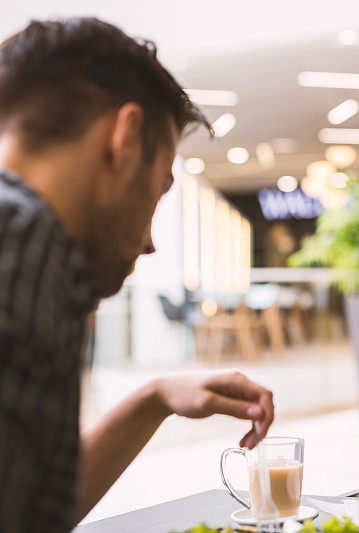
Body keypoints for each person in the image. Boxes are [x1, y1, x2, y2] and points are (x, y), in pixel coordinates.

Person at [0, 18, 275, 532]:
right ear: (123, 138)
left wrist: (154, 400)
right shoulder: (25, 245)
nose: (150, 243)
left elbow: (33, 502)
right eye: (160, 185)